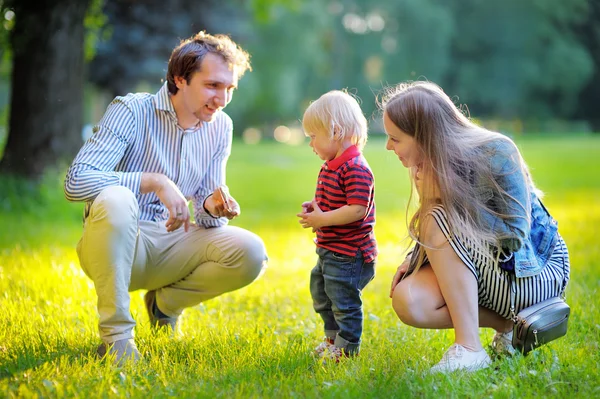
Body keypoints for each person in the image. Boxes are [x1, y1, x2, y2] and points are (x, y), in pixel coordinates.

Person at [64, 31, 268, 364]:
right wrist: (153, 181)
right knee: (117, 199)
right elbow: (76, 182)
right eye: (213, 86)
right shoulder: (131, 110)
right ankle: (116, 340)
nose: (222, 99)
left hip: (173, 243)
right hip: (118, 247)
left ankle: (164, 306)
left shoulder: (221, 127)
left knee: (251, 253)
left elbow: (206, 216)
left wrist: (210, 205)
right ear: (179, 78)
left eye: (229, 89)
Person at [382, 81, 570, 373]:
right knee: (408, 300)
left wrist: (447, 193)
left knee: (435, 217)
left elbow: (515, 236)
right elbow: (450, 235)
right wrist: (415, 259)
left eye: (395, 138)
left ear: (423, 135)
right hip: (494, 271)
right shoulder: (428, 165)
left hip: (535, 270)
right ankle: (508, 326)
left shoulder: (497, 150)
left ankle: (469, 348)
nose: (388, 146)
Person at [297, 90, 377, 361]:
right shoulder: (331, 165)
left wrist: (322, 220)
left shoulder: (356, 167)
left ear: (335, 131)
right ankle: (333, 339)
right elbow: (337, 202)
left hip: (350, 253)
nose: (311, 144)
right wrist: (316, 208)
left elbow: (356, 210)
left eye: (313, 137)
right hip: (330, 250)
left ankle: (347, 349)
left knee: (344, 302)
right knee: (322, 293)